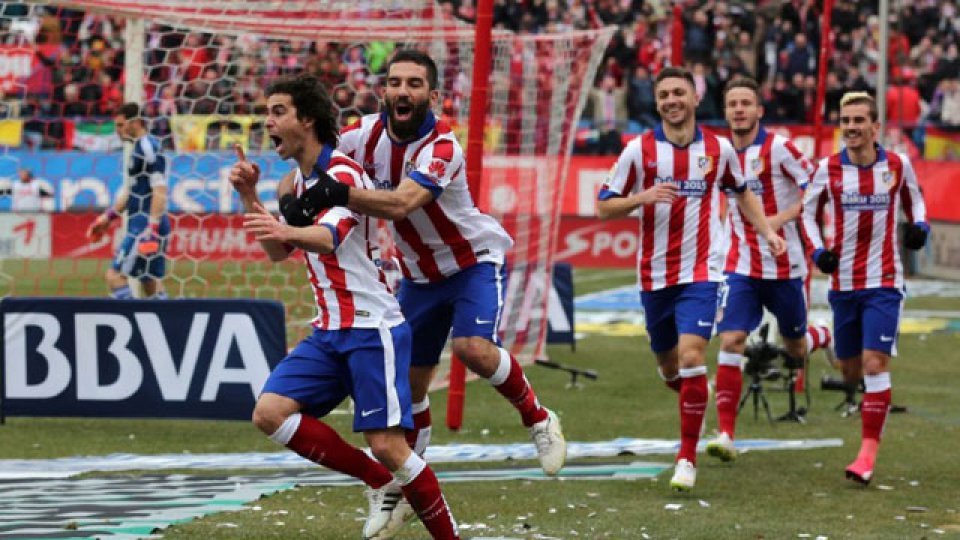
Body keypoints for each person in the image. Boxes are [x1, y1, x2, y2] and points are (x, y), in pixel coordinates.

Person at [283, 49, 566, 536]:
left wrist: (336, 194)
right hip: (417, 276)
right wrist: (292, 196)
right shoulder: (363, 134)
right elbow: (316, 162)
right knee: (410, 389)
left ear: (433, 95)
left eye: (415, 84)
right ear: (384, 91)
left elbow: (400, 204)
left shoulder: (443, 147)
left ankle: (538, 418)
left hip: (471, 264)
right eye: (395, 82)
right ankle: (407, 483)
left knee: (473, 349)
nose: (403, 91)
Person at [228, 73, 459, 539]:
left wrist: (288, 231)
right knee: (269, 413)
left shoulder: (344, 174)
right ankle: (379, 484)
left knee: (389, 444)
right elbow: (278, 252)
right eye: (266, 112)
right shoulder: (295, 185)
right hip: (330, 331)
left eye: (278, 112)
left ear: (307, 119)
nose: (267, 122)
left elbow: (330, 238)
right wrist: (250, 196)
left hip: (371, 329)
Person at [596, 66, 786, 492]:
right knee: (670, 369)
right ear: (657, 101)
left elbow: (743, 192)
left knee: (691, 356)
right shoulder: (639, 151)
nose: (671, 100)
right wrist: (641, 197)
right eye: (664, 94)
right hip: (654, 276)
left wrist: (768, 231)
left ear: (695, 98)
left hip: (702, 272)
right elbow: (603, 206)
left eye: (679, 93)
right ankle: (695, 396)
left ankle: (686, 458)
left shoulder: (718, 149)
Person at [800, 92, 929, 486]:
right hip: (844, 285)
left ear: (876, 127)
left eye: (859, 120)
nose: (851, 127)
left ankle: (866, 455)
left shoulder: (897, 165)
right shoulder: (827, 169)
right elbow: (807, 212)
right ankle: (823, 337)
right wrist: (818, 250)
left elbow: (917, 204)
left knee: (875, 364)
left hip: (884, 282)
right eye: (846, 120)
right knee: (850, 370)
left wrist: (919, 229)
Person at [706, 76, 816, 461]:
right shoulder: (719, 152)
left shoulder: (780, 147)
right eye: (733, 103)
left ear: (758, 111)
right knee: (732, 340)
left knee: (795, 347)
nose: (739, 109)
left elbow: (815, 186)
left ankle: (821, 337)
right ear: (726, 111)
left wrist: (775, 222)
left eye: (746, 103)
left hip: (786, 266)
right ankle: (726, 433)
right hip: (741, 266)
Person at [86, 102, 170, 299]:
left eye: (120, 125)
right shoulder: (138, 149)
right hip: (145, 222)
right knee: (149, 280)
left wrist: (152, 227)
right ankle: (166, 325)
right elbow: (132, 193)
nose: (117, 130)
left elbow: (160, 189)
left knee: (114, 276)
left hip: (144, 225)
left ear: (135, 122)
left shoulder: (148, 148)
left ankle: (133, 320)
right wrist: (106, 218)